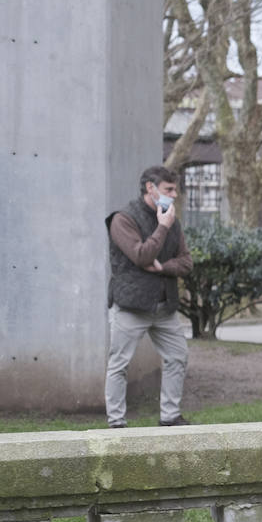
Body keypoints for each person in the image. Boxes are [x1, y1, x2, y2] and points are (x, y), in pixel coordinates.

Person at [104, 165, 193, 428]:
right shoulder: (123, 219)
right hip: (131, 307)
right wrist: (163, 227)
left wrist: (163, 267)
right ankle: (116, 423)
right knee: (119, 364)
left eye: (175, 189)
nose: (174, 195)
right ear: (150, 188)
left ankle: (170, 417)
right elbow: (141, 255)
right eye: (168, 189)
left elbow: (187, 263)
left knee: (178, 356)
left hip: (164, 308)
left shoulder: (172, 220)